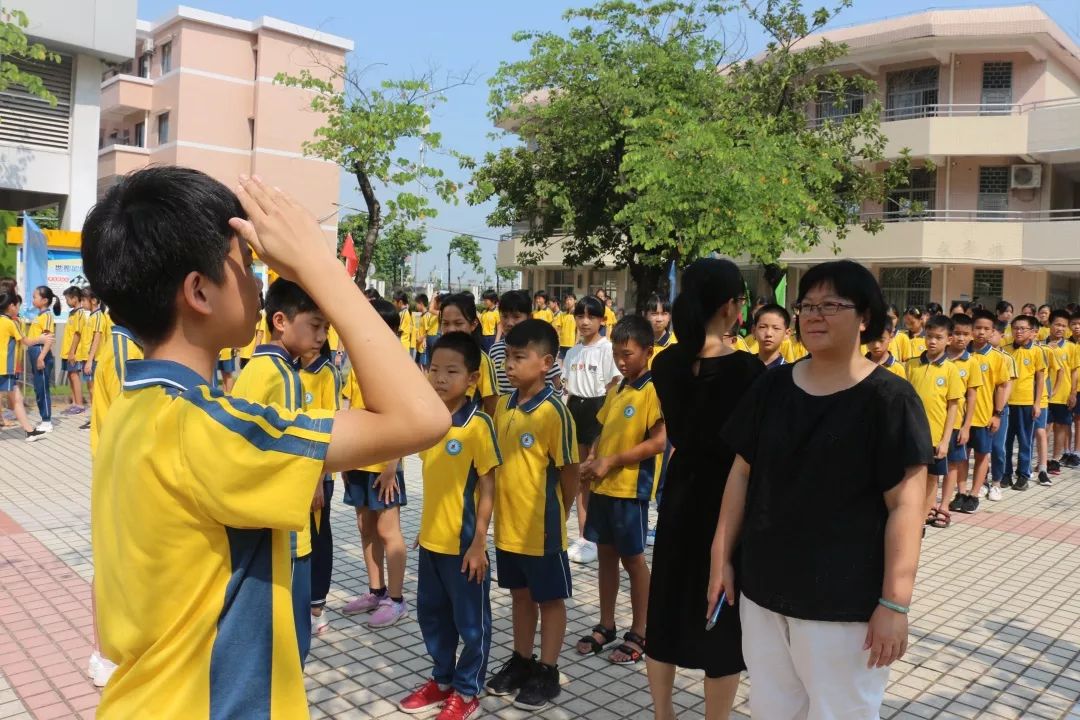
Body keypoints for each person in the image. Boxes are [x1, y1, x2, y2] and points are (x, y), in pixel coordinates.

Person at [82, 167, 449, 718]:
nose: (259, 283)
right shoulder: (209, 430)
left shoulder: (138, 408)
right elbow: (422, 417)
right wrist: (320, 269)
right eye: (247, 266)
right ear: (199, 291)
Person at [713, 260, 930, 719]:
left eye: (831, 304)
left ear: (865, 317)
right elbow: (740, 474)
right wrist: (721, 561)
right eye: (807, 305)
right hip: (763, 593)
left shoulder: (889, 400)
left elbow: (907, 506)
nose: (814, 315)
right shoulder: (772, 386)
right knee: (773, 708)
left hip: (844, 607)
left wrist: (895, 602)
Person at [646, 258, 763, 720]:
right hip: (727, 497)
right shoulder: (750, 372)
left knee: (667, 602)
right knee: (721, 606)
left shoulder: (666, 363)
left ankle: (662, 714)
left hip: (679, 491)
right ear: (732, 307)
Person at [398, 332, 500, 720]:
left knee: (472, 624)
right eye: (434, 369)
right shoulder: (432, 423)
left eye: (451, 371)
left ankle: (467, 691)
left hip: (464, 548)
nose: (440, 378)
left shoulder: (478, 426)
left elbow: (488, 487)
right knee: (431, 615)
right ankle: (441, 680)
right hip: (432, 544)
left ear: (472, 379)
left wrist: (479, 544)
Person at [231, 278, 329, 664]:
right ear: (280, 321)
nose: (322, 336)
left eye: (325, 328)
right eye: (315, 326)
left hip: (259, 525)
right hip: (284, 535)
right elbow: (290, 454)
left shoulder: (257, 367)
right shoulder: (284, 375)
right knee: (289, 644)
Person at [485, 320, 579, 712]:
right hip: (508, 527)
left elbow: (570, 472)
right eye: (507, 357)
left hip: (542, 529)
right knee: (519, 596)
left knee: (550, 600)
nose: (509, 365)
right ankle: (521, 660)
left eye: (519, 358)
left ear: (545, 362)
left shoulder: (555, 413)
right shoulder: (504, 405)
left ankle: (548, 669)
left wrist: (562, 513)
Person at [576, 315, 665, 667]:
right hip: (604, 488)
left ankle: (640, 630)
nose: (621, 360)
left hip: (630, 491)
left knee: (633, 560)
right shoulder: (617, 388)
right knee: (606, 557)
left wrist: (610, 461)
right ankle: (606, 623)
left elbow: (659, 442)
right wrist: (593, 459)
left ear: (648, 351)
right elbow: (602, 430)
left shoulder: (653, 390)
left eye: (628, 353)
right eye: (616, 353)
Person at [340, 298, 411, 629]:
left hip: (384, 464)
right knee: (365, 527)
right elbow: (350, 408)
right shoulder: (357, 363)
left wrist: (392, 465)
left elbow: (406, 418)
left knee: (387, 530)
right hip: (359, 459)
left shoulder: (397, 366)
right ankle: (375, 590)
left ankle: (396, 600)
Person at [563, 295, 622, 565]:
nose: (585, 322)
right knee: (577, 476)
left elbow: (612, 387)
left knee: (594, 472)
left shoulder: (607, 349)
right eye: (580, 316)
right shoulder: (573, 351)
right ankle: (584, 536)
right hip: (575, 408)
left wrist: (606, 422)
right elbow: (566, 386)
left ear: (602, 320)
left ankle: (597, 536)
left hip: (598, 409)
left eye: (591, 317)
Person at [906, 314, 963, 529]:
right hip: (912, 433)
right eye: (929, 336)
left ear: (948, 339)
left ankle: (922, 519)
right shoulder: (911, 365)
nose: (932, 341)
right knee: (911, 476)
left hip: (936, 435)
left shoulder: (951, 370)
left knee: (931, 478)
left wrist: (945, 440)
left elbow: (953, 407)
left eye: (938, 337)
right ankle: (911, 513)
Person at [301, 343, 341, 637]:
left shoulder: (326, 372)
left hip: (318, 474)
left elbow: (328, 429)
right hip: (293, 470)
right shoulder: (287, 369)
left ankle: (317, 608)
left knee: (318, 535)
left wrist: (317, 480)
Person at [969, 310, 1014, 505]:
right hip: (963, 417)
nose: (981, 332)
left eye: (986, 329)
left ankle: (994, 483)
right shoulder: (963, 354)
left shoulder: (998, 357)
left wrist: (997, 414)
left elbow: (1002, 387)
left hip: (986, 416)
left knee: (992, 450)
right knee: (963, 456)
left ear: (992, 332)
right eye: (977, 328)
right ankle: (971, 488)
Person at [943, 314, 983, 518]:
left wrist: (967, 427)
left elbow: (972, 397)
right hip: (934, 423)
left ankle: (946, 504)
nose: (960, 338)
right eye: (957, 333)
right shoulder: (938, 358)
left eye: (965, 334)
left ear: (971, 337)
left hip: (957, 423)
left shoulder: (971, 363)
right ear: (949, 336)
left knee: (954, 463)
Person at [490, 290, 562, 396]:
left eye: (516, 316)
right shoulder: (495, 350)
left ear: (529, 317)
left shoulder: (538, 349)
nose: (509, 323)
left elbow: (556, 385)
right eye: (504, 316)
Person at [1005, 315, 1046, 491]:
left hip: (1026, 403)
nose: (1019, 331)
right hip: (1006, 404)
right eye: (1015, 328)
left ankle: (1023, 475)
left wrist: (1037, 404)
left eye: (1023, 328)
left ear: (1032, 332)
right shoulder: (1005, 349)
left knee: (1024, 441)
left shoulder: (1037, 351)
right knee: (1005, 442)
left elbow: (1040, 379)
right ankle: (1005, 473)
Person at [440, 293, 499, 415]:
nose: (451, 329)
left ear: (473, 325)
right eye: (446, 323)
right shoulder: (438, 357)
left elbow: (491, 403)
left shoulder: (481, 360)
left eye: (458, 323)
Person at [0, 292, 47, 441]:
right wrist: (41, 338)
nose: (18, 308)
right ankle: (29, 431)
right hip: (5, 367)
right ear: (11, 306)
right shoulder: (10, 323)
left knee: (17, 398)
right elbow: (25, 341)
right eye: (17, 305)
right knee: (17, 398)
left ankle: (29, 430)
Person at [1045, 309, 1077, 476]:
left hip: (1063, 395)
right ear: (1050, 324)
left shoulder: (1072, 347)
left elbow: (1074, 372)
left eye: (1064, 326)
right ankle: (1042, 462)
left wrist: (1073, 393)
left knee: (1061, 427)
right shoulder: (1040, 345)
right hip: (1043, 395)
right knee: (1043, 429)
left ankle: (1055, 460)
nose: (1060, 328)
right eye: (1057, 324)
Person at [27, 286, 61, 433]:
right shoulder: (39, 316)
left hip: (41, 353)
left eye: (35, 297)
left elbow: (48, 339)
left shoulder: (47, 316)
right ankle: (44, 418)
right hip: (35, 351)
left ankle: (47, 421)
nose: (33, 299)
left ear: (45, 300)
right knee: (38, 387)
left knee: (42, 387)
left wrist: (41, 357)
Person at [60, 286, 86, 415]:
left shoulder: (80, 314)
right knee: (71, 376)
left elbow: (77, 334)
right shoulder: (72, 313)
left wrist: (72, 352)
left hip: (74, 352)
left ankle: (80, 404)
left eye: (67, 299)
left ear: (75, 298)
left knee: (75, 376)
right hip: (67, 351)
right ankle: (74, 402)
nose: (66, 302)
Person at [751, 303, 789, 369]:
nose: (768, 334)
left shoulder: (788, 373)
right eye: (763, 327)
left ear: (787, 334)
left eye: (776, 328)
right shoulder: (744, 368)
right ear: (754, 331)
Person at [554, 293, 578, 359]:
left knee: (571, 365)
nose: (568, 301)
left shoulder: (577, 315)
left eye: (570, 299)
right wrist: (558, 341)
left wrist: (576, 342)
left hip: (572, 344)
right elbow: (558, 329)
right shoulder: (562, 314)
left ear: (575, 301)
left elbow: (578, 330)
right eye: (567, 300)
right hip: (562, 344)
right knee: (560, 365)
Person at [394, 290, 415, 359]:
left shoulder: (404, 313)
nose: (393, 303)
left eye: (394, 301)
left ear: (400, 302)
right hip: (405, 345)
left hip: (402, 345)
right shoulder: (406, 311)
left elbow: (399, 330)